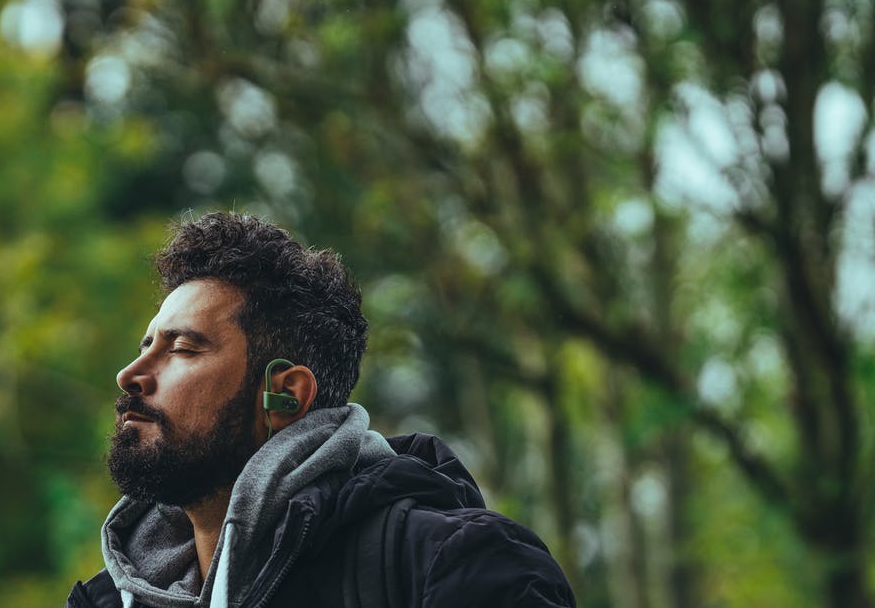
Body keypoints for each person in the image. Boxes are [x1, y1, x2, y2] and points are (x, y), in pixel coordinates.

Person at [66, 212, 576, 608]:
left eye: (182, 348)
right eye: (146, 343)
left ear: (285, 396)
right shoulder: (106, 600)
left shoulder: (453, 569)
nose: (130, 374)